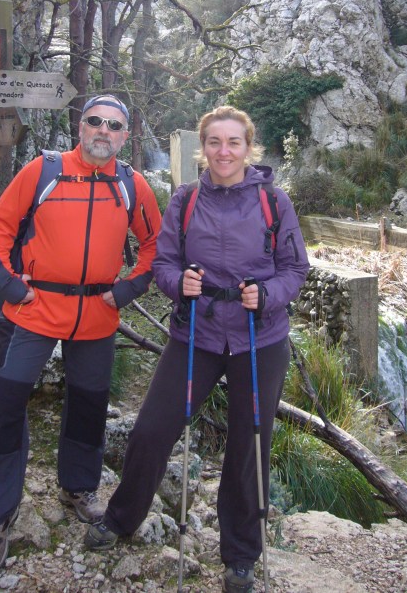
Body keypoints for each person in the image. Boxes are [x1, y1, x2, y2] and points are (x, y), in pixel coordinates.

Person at [85, 105, 310, 593]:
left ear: (248, 147)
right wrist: (178, 283)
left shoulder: (274, 201)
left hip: (259, 337)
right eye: (214, 142)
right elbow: (164, 262)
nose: (223, 151)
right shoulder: (185, 199)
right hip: (198, 336)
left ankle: (241, 555)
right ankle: (122, 517)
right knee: (151, 429)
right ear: (202, 147)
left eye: (233, 142)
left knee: (249, 446)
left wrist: (267, 294)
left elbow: (296, 269)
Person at [0, 94, 162, 575]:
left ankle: (78, 487)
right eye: (95, 121)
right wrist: (13, 287)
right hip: (33, 313)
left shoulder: (132, 184)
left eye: (113, 125)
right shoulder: (44, 170)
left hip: (97, 315)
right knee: (6, 408)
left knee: (90, 406)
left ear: (125, 136)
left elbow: (157, 244)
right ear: (81, 127)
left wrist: (129, 288)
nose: (103, 130)